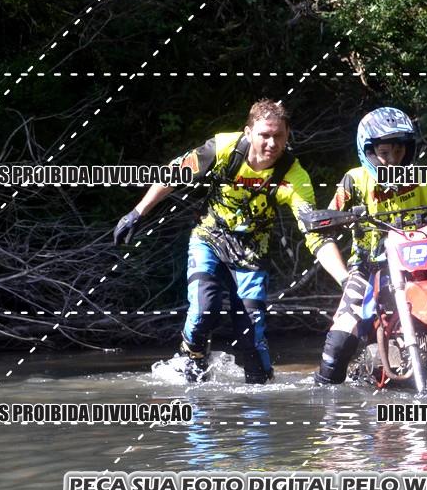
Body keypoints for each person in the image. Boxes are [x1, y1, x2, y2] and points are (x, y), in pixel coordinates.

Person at [114, 99, 349, 384]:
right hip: (209, 238)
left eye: (279, 135)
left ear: (288, 134)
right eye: (264, 135)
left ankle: (259, 386)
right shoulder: (224, 148)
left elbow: (314, 234)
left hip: (253, 252)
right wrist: (137, 213)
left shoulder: (294, 176)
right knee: (203, 309)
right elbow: (175, 172)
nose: (272, 143)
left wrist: (345, 279)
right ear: (248, 132)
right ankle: (192, 359)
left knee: (251, 335)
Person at [313, 107, 427, 385]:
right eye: (385, 152)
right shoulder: (355, 180)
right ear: (369, 150)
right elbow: (328, 218)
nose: (392, 159)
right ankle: (325, 394)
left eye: (399, 151)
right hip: (368, 267)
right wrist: (325, 221)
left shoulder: (421, 177)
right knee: (339, 340)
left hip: (420, 267)